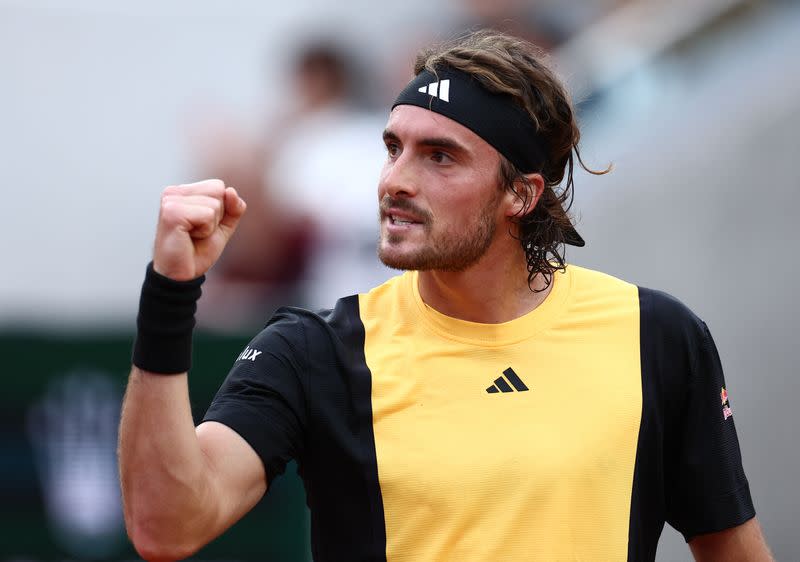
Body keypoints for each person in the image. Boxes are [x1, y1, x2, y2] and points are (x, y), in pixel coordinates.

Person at [118, 29, 772, 561]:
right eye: (393, 147)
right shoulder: (313, 351)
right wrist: (170, 295)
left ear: (522, 194)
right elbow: (168, 526)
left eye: (440, 156)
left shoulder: (654, 334)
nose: (394, 181)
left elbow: (731, 548)